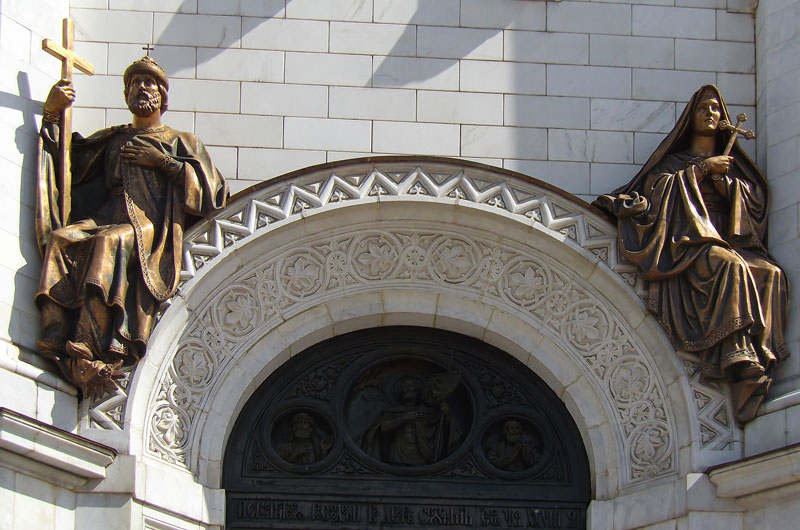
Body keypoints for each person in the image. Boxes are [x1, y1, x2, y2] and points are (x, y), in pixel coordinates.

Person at [594, 85, 789, 425]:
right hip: (689, 243)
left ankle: (763, 357)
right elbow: (657, 189)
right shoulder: (674, 163)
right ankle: (736, 353)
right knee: (731, 266)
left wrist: (728, 187)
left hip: (725, 240)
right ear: (691, 118)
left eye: (715, 109)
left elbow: (753, 207)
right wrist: (701, 170)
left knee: (771, 274)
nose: (710, 113)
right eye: (703, 108)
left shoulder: (734, 169)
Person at [35, 56, 227, 398]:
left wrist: (163, 162)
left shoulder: (180, 140)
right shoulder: (113, 138)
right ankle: (56, 333)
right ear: (126, 94)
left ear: (162, 96)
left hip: (148, 223)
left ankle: (89, 339)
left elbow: (211, 191)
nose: (141, 88)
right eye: (135, 83)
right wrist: (52, 114)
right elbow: (67, 161)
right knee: (60, 239)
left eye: (149, 83)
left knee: (107, 243)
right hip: (107, 214)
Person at [360, 375, 462, 466]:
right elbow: (382, 428)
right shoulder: (393, 411)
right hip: (398, 452)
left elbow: (442, 428)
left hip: (422, 453)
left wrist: (446, 414)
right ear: (401, 391)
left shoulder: (427, 411)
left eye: (411, 385)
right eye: (405, 386)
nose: (408, 388)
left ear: (418, 390)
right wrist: (406, 417)